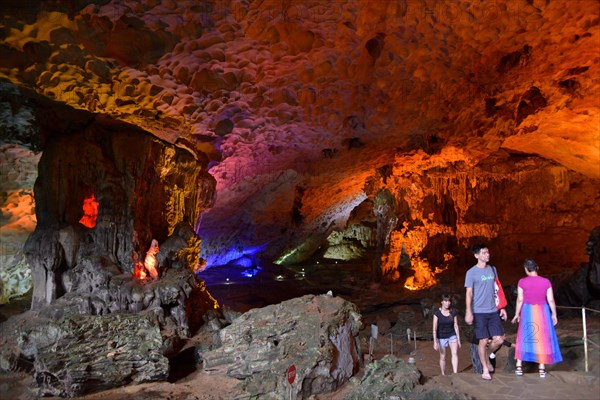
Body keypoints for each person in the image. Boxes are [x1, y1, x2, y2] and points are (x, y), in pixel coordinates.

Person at [511, 258, 562, 377]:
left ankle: (519, 366)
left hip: (528, 310)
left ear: (525, 269)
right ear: (537, 268)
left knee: (524, 335)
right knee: (542, 337)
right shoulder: (546, 282)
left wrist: (516, 314)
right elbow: (550, 299)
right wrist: (554, 314)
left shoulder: (522, 282)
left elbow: (520, 299)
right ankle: (542, 368)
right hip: (543, 311)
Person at [464, 244, 507, 380]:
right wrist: (468, 311)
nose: (487, 255)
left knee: (499, 340)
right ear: (476, 256)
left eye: (488, 252)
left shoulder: (492, 270)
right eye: (483, 253)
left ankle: (486, 355)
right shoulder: (471, 273)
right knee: (482, 340)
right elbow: (469, 293)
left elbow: (497, 289)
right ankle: (484, 368)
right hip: (479, 312)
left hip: (493, 310)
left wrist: (502, 307)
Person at [433, 294, 461, 375]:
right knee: (443, 357)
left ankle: (455, 373)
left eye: (449, 301)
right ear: (442, 302)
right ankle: (443, 374)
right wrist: (435, 341)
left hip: (452, 335)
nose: (447, 303)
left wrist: (458, 339)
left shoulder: (453, 312)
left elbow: (456, 325)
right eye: (445, 301)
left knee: (455, 353)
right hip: (441, 336)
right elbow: (434, 328)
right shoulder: (437, 312)